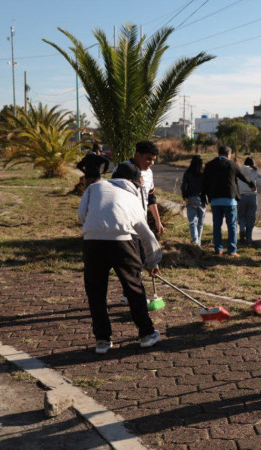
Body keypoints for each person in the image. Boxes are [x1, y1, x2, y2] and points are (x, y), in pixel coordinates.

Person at [78, 162, 162, 354]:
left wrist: (95, 227)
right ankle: (146, 335)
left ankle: (102, 340)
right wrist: (152, 261)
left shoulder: (94, 186)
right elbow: (144, 231)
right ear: (134, 181)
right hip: (122, 242)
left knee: (96, 292)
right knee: (134, 289)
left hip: (92, 242)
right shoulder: (131, 195)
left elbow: (81, 214)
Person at [202, 146, 255, 257]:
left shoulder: (209, 165)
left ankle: (218, 249)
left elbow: (204, 182)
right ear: (228, 154)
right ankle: (232, 250)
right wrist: (252, 185)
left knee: (217, 226)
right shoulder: (232, 165)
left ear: (219, 153)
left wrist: (204, 197)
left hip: (215, 200)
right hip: (230, 200)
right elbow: (242, 177)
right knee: (231, 226)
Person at [129, 141, 164, 237]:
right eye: (148, 159)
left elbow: (151, 198)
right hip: (126, 222)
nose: (151, 163)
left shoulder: (149, 173)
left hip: (141, 222)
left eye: (154, 160)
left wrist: (158, 221)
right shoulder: (122, 169)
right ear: (137, 155)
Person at [237, 157, 261, 246]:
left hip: (241, 196)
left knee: (241, 216)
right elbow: (260, 182)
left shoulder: (239, 170)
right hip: (252, 196)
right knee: (250, 218)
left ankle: (242, 229)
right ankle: (249, 239)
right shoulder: (254, 170)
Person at [181, 155, 207, 246]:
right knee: (200, 223)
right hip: (202, 200)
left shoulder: (187, 173)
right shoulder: (204, 173)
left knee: (193, 221)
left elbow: (184, 186)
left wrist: (185, 196)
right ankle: (198, 242)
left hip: (191, 198)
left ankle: (195, 241)